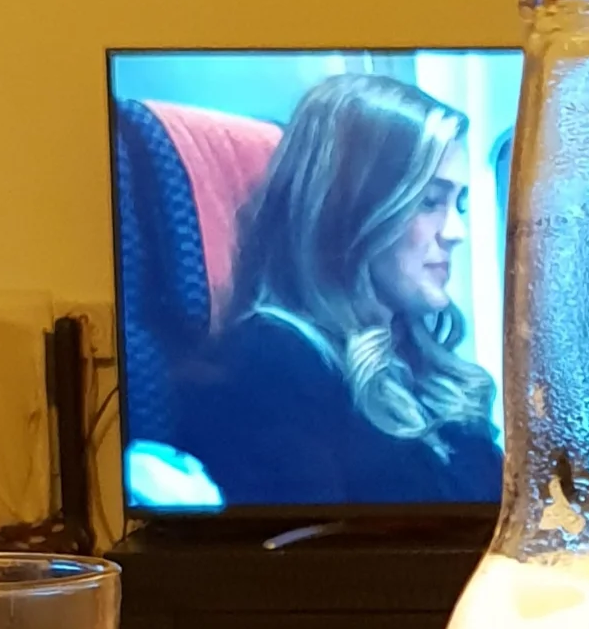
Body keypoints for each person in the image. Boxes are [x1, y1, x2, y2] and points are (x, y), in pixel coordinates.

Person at [173, 73, 503, 506]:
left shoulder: (417, 357)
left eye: (459, 204)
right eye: (429, 202)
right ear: (353, 208)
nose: (456, 232)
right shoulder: (270, 363)